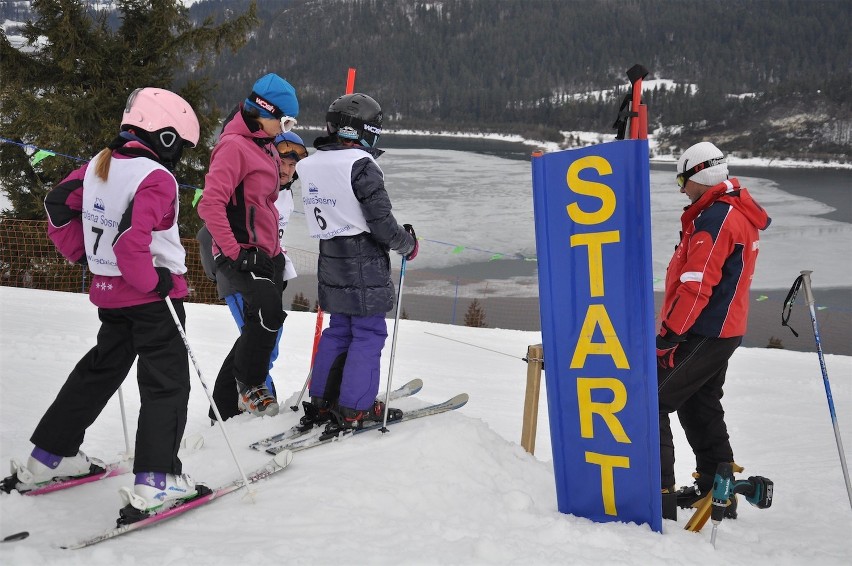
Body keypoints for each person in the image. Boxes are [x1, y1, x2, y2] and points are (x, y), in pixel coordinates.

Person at [5, 87, 202, 517]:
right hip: (153, 299)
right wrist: (156, 281)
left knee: (99, 371)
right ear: (165, 135)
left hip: (111, 297)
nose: (180, 156)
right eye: (181, 145)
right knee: (166, 382)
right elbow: (133, 241)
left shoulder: (99, 164)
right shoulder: (156, 177)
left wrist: (88, 258)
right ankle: (157, 481)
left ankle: (48, 459)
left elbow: (57, 206)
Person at [657, 142, 771, 515]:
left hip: (704, 331)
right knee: (698, 404)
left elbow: (696, 284)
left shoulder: (716, 219)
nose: (680, 189)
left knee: (649, 400)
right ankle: (715, 490)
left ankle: (654, 496)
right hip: (722, 329)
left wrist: (670, 334)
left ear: (699, 176)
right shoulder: (730, 213)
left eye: (682, 179)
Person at [295, 92, 418, 433]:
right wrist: (407, 245)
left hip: (331, 255)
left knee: (340, 330)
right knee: (368, 332)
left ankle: (322, 402)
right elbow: (381, 222)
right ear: (365, 131)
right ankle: (354, 408)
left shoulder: (312, 163)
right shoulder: (361, 165)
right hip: (363, 258)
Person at [196, 73, 299, 418]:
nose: (285, 129)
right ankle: (252, 388)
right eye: (284, 120)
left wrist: (276, 255)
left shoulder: (264, 145)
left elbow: (265, 205)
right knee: (268, 312)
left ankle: (226, 407)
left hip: (266, 254)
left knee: (263, 324)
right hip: (239, 252)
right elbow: (210, 205)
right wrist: (236, 252)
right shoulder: (234, 147)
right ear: (264, 112)